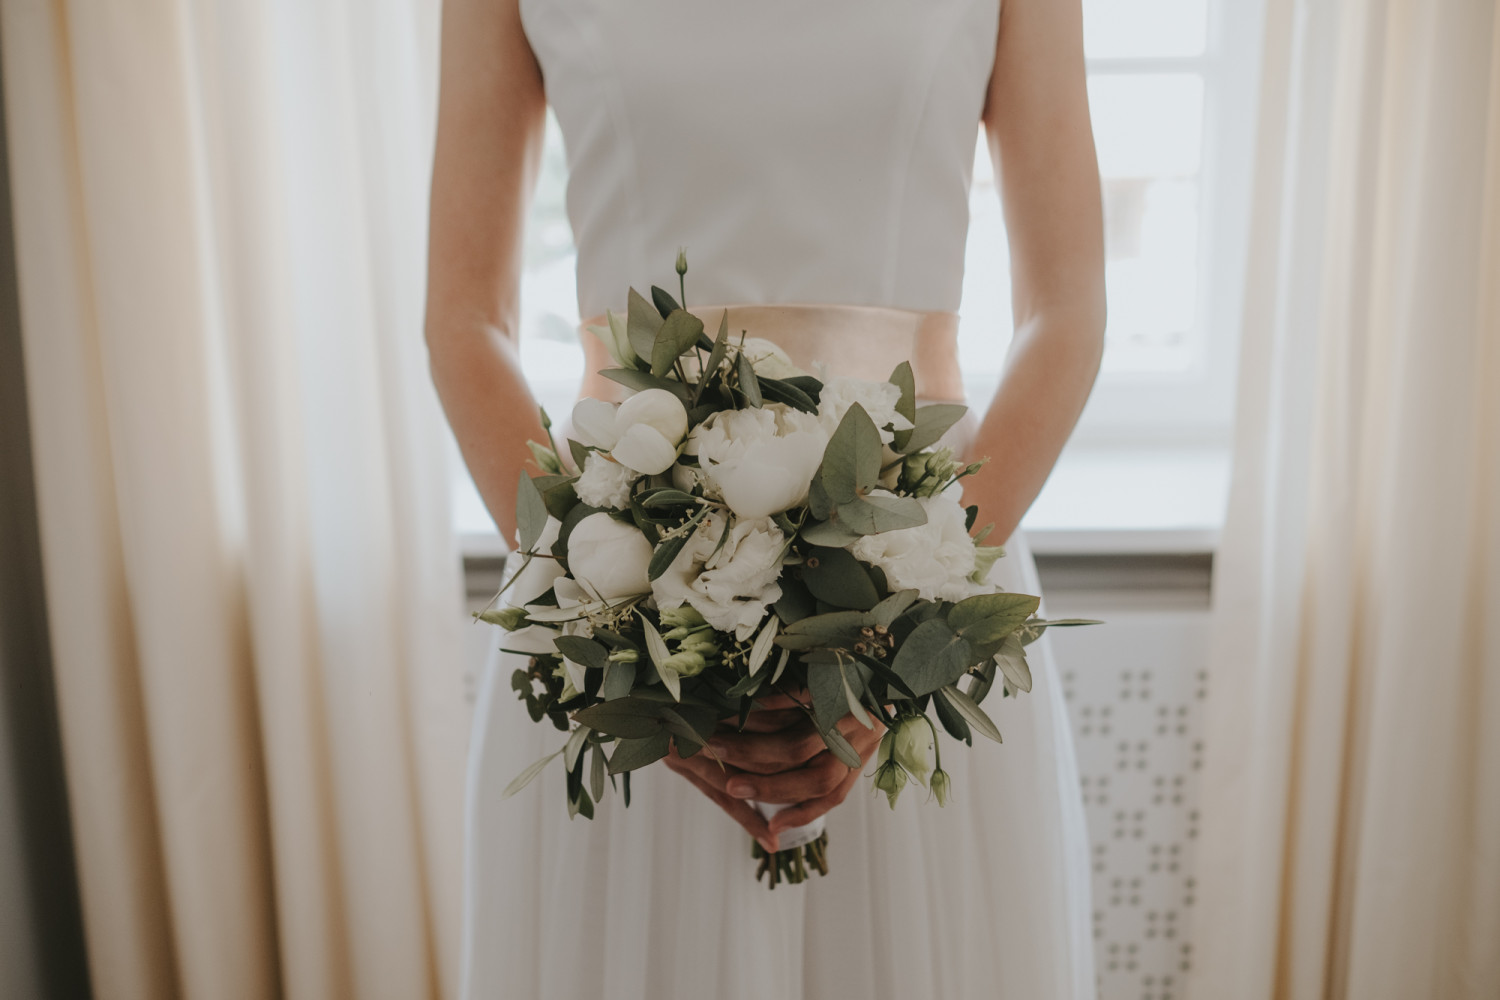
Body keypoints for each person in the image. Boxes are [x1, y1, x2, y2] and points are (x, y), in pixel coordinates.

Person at [425, 0, 1105, 996]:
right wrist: (619, 638)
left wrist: (915, 644)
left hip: (922, 587)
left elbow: (1067, 311)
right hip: (623, 601)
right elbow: (463, 322)